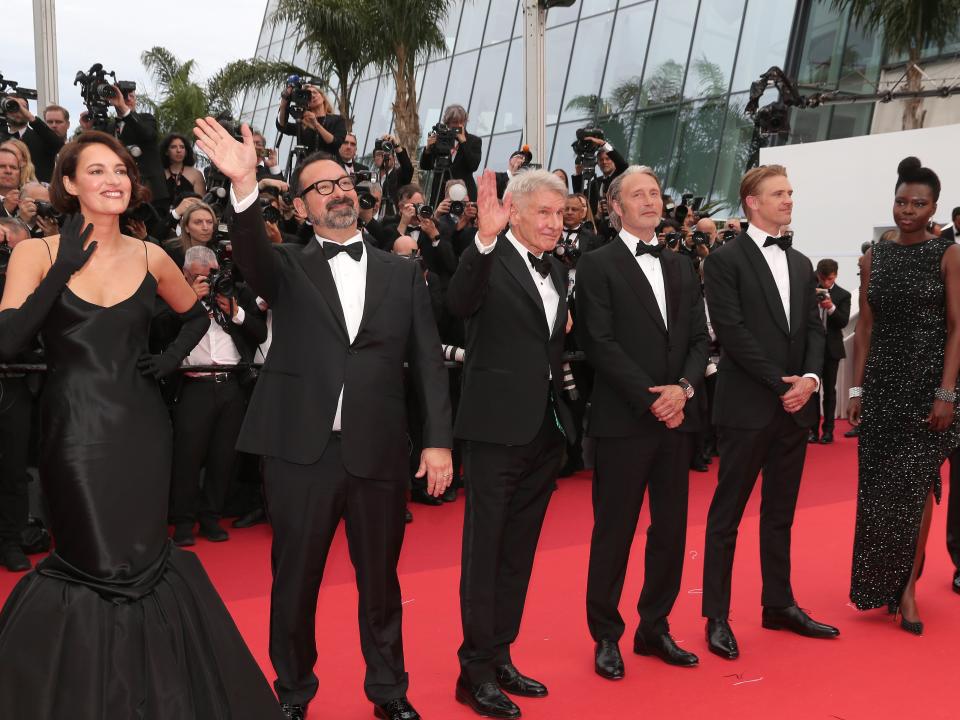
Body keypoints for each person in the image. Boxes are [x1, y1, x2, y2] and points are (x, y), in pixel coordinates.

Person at [0, 131, 284, 717]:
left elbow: (197, 314)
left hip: (143, 425)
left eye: (122, 170)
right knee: (95, 558)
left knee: (142, 555)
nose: (113, 180)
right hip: (73, 428)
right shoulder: (36, 251)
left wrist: (168, 361)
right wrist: (64, 270)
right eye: (97, 170)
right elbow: (7, 341)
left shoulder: (153, 254)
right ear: (70, 183)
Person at [193, 116, 453, 720]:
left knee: (381, 584)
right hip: (300, 452)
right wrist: (243, 186)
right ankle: (292, 692)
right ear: (305, 207)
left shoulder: (401, 271)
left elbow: (429, 363)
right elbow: (252, 252)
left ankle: (389, 691)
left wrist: (437, 442)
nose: (339, 190)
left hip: (379, 451)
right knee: (295, 580)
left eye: (344, 181)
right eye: (322, 186)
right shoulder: (285, 265)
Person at [448, 169, 575, 720]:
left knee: (517, 553)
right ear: (514, 212)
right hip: (495, 432)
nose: (554, 222)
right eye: (543, 212)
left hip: (544, 433)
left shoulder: (562, 270)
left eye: (560, 212)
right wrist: (482, 237)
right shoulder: (487, 258)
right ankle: (472, 672)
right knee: (485, 554)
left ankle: (500, 655)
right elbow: (457, 303)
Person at [701, 164, 839, 661]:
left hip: (794, 409)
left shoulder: (802, 263)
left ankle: (778, 604)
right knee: (726, 516)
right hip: (746, 406)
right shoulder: (723, 260)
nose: (789, 200)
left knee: (780, 515)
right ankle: (716, 616)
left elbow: (814, 329)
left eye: (790, 192)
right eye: (779, 193)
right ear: (752, 202)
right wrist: (780, 382)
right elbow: (731, 333)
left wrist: (810, 380)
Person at [576, 166, 708, 680]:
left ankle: (655, 626)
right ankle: (605, 634)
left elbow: (699, 339)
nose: (651, 201)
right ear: (616, 206)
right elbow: (597, 342)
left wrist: (684, 391)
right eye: (639, 194)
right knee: (615, 531)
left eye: (655, 193)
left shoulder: (679, 265)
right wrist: (650, 397)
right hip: (625, 420)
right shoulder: (596, 264)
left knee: (670, 530)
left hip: (678, 420)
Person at [848, 157, 960, 634]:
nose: (907, 210)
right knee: (879, 493)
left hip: (927, 389)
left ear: (935, 207)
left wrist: (946, 393)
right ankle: (883, 584)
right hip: (882, 387)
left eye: (919, 203)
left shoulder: (947, 254)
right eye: (901, 201)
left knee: (915, 491)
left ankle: (909, 587)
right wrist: (856, 388)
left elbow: (958, 328)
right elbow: (866, 326)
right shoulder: (876, 255)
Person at [811, 259, 850, 444]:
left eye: (831, 279)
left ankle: (828, 431)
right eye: (823, 279)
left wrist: (831, 307)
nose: (826, 283)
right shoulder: (808, 291)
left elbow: (843, 322)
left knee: (829, 391)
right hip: (811, 348)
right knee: (811, 392)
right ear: (818, 275)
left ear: (836, 275)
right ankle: (811, 430)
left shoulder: (843, 295)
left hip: (831, 349)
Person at [420, 104, 482, 202]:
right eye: (455, 122)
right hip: (441, 193)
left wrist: (464, 142)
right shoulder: (440, 139)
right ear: (447, 123)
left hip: (464, 193)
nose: (458, 125)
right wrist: (428, 149)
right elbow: (426, 166)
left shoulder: (474, 141)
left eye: (461, 122)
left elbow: (473, 166)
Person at [3, 95, 64, 183]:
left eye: (23, 107)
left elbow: (58, 145)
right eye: (13, 106)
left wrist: (31, 118)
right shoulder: (2, 138)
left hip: (37, 193)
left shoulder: (42, 138)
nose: (18, 110)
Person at [277, 83, 347, 158]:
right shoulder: (302, 122)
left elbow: (336, 142)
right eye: (309, 94)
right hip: (307, 166)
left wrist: (316, 124)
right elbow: (282, 126)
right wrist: (284, 104)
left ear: (323, 97)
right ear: (306, 102)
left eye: (315, 92)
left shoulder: (337, 119)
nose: (313, 96)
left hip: (328, 165)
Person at [160, 132, 206, 206]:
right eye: (173, 147)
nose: (179, 150)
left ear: (186, 151)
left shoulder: (196, 175)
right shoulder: (159, 174)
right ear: (166, 151)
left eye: (182, 147)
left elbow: (202, 203)